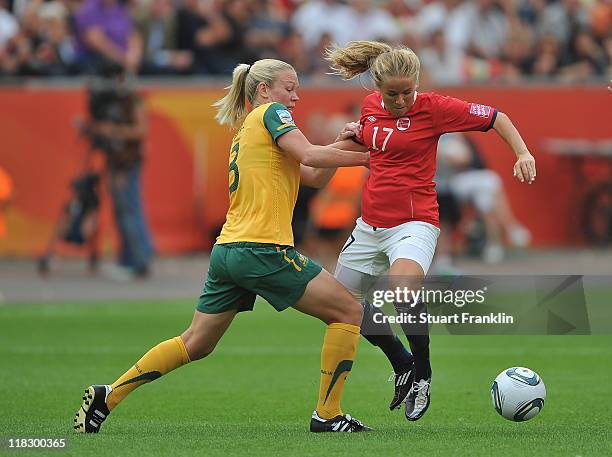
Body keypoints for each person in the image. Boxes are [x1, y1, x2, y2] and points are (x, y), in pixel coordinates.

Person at [73, 58, 372, 434]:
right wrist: (370, 155)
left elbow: (312, 175)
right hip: (263, 249)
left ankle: (108, 395)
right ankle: (328, 415)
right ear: (263, 90)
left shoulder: (248, 128)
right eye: (289, 87)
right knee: (348, 311)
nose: (296, 96)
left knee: (195, 343)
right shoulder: (272, 114)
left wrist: (345, 143)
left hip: (228, 251)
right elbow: (310, 156)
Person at [325, 40, 536, 421]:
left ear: (417, 85)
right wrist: (355, 133)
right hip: (369, 224)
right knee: (338, 305)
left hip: (415, 221)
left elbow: (496, 118)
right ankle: (401, 361)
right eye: (393, 93)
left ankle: (422, 373)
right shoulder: (371, 106)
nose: (401, 100)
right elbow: (376, 143)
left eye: (408, 91)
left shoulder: (435, 107)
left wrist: (522, 152)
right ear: (377, 89)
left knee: (402, 291)